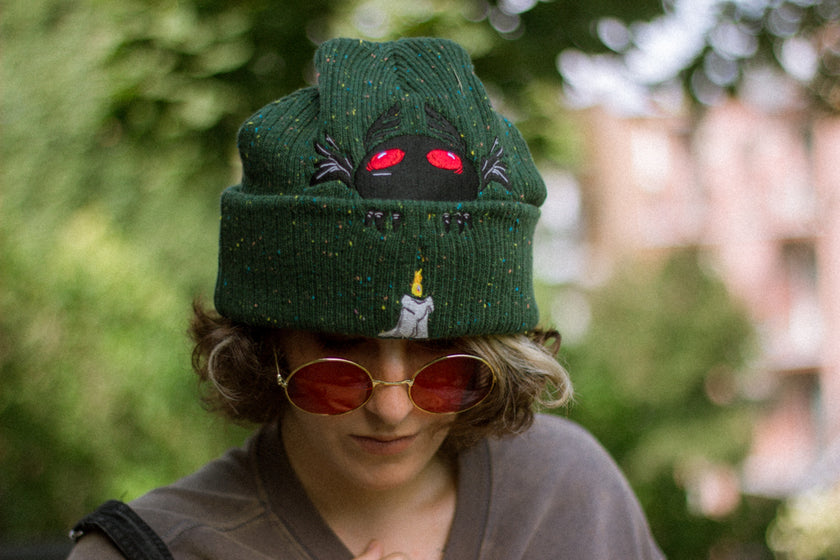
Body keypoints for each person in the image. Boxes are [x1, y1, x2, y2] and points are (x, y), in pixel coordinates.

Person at [67, 37, 664, 560]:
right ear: (267, 342)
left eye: (445, 360)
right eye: (340, 354)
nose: (393, 408)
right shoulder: (153, 549)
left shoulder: (572, 496)